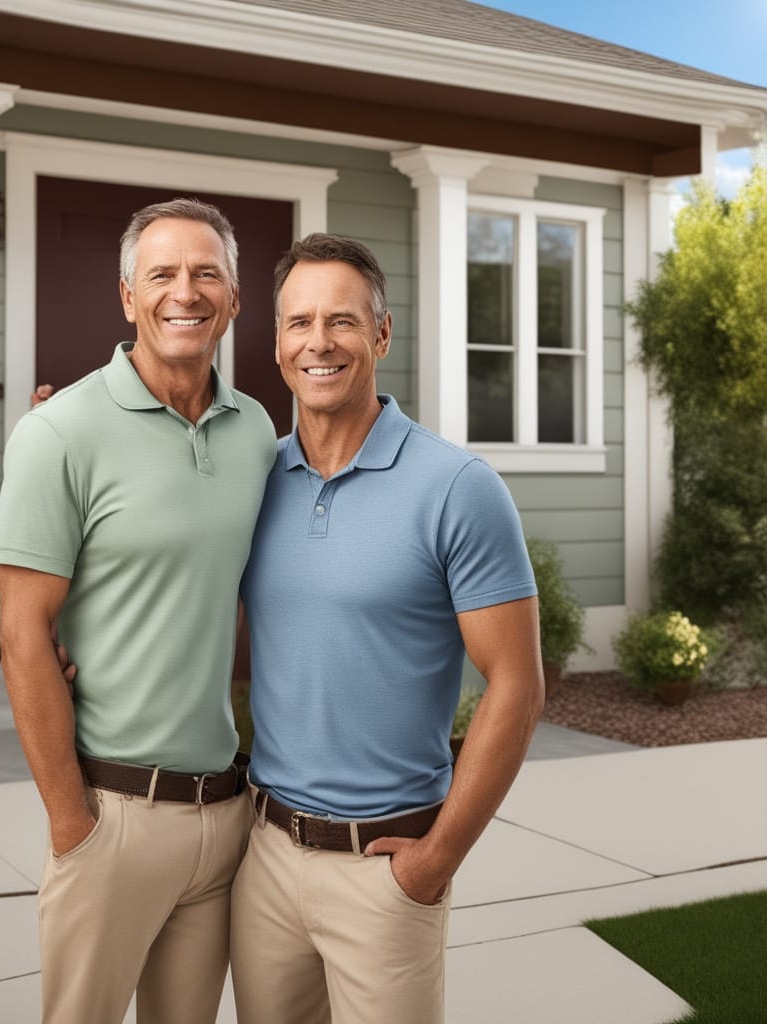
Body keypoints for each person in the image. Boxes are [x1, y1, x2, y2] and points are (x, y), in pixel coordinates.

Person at [229, 234, 545, 1024]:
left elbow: (517, 684)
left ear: (382, 333)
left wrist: (437, 860)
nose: (319, 341)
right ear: (275, 344)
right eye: (299, 322)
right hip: (263, 853)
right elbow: (150, 569)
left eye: (342, 320)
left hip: (387, 863)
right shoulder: (251, 480)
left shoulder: (457, 489)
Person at [0, 198, 277, 1024]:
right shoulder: (60, 433)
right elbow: (21, 637)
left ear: (233, 298)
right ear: (128, 296)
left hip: (222, 813)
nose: (183, 292)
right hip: (109, 811)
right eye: (162, 274)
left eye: (205, 273)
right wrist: (70, 821)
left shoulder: (257, 431)